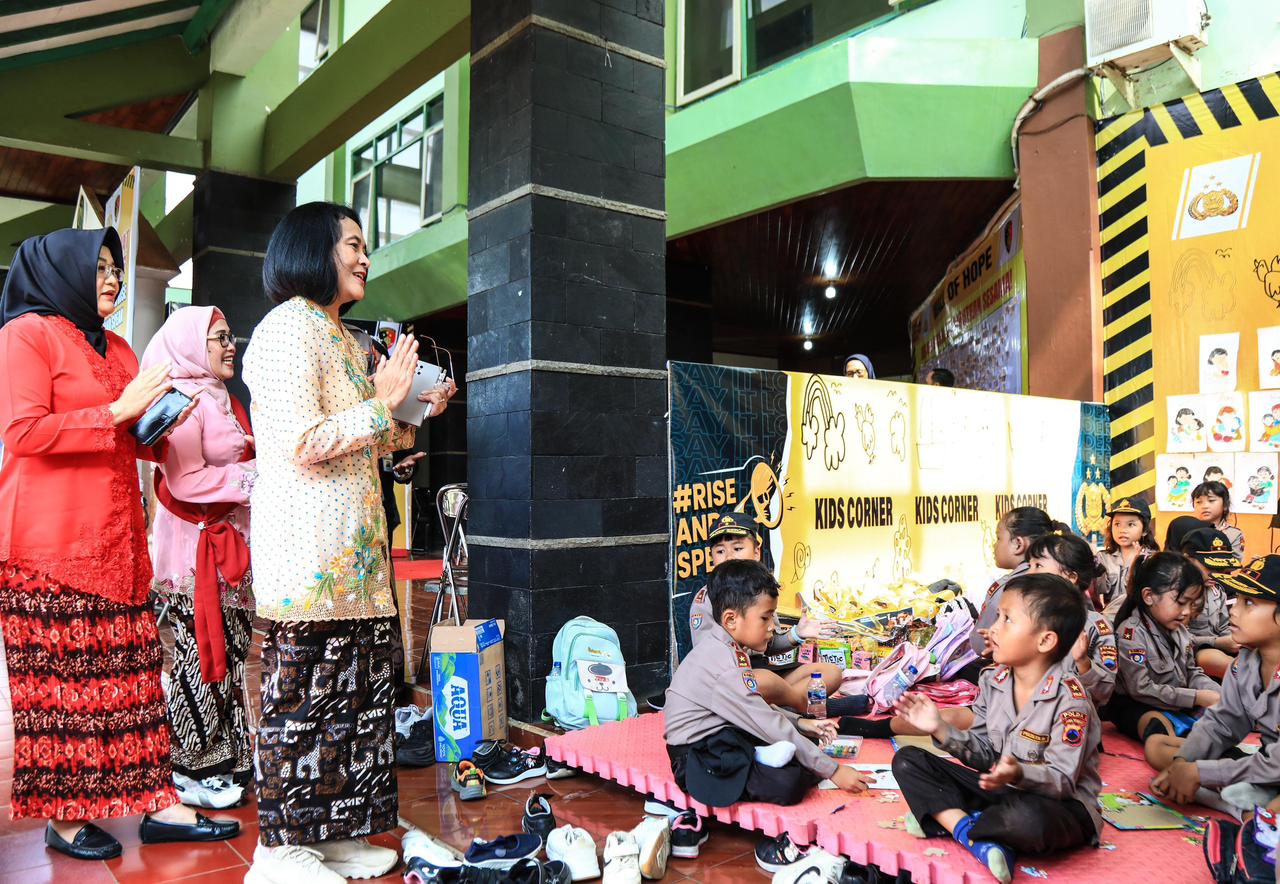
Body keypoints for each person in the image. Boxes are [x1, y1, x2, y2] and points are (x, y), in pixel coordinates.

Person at [0, 228, 238, 860]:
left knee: (133, 682)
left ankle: (159, 803)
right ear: (61, 271)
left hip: (120, 542)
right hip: (49, 549)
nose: (112, 278)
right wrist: (116, 412)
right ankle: (65, 819)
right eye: (99, 267)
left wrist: (161, 423)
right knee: (63, 692)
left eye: (116, 268)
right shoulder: (25, 335)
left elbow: (131, 438)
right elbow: (23, 433)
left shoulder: (122, 347)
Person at [241, 202, 455, 884]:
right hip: (309, 560)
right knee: (302, 702)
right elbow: (302, 440)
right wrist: (381, 399)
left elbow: (367, 437)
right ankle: (278, 852)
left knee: (353, 705)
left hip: (356, 559)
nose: (366, 257)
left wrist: (413, 408)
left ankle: (328, 838)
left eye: (366, 246)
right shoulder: (284, 330)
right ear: (313, 250)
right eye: (353, 245)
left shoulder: (336, 333)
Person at [892, 574, 1102, 884]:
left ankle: (950, 819)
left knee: (1026, 820)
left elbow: (1062, 781)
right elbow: (983, 754)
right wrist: (939, 728)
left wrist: (1018, 773)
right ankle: (978, 836)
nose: (993, 629)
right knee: (908, 760)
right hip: (1003, 793)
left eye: (1007, 619)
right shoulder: (994, 680)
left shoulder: (1071, 700)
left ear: (1045, 641)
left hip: (1059, 806)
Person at [142, 306, 257, 809]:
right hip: (196, 552)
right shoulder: (182, 400)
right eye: (220, 338)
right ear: (192, 344)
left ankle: (224, 757)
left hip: (230, 546)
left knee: (230, 651)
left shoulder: (221, 397)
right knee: (201, 654)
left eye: (231, 337)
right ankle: (189, 765)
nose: (231, 347)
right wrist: (255, 477)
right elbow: (184, 479)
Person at [664, 560, 870, 809]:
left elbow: (755, 709)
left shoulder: (728, 648)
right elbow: (764, 720)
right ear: (731, 619)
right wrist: (834, 771)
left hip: (726, 734)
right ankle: (759, 755)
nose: (773, 626)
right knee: (790, 782)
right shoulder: (723, 665)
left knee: (805, 749)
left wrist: (800, 723)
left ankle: (760, 753)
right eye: (765, 617)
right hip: (698, 756)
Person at [1146, 555, 1280, 817]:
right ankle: (1243, 803)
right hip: (1266, 763)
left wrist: (1202, 773)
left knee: (1274, 812)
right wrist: (1183, 765)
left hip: (1274, 765)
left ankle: (1242, 808)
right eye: (1237, 599)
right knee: (1158, 747)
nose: (1234, 610)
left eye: (1249, 603)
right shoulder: (1245, 662)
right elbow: (1222, 723)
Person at [684, 514, 855, 714]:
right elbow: (709, 661)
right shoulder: (706, 598)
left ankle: (782, 709)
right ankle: (801, 708)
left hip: (765, 671)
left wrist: (797, 633)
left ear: (756, 552)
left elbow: (769, 644)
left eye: (738, 549)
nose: (729, 557)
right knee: (765, 683)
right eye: (720, 551)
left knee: (829, 673)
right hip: (733, 677)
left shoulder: (762, 590)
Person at [1105, 552, 1220, 744]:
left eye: (1192, 604)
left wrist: (1216, 693)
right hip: (1138, 705)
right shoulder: (1131, 633)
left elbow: (1192, 672)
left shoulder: (1179, 630)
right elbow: (1141, 689)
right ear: (1149, 596)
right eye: (1181, 602)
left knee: (1224, 716)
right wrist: (1196, 697)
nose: (1187, 612)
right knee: (1158, 729)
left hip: (1178, 702)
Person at [1026, 531, 1118, 705]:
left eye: (1038, 565)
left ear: (1070, 577)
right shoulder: (1024, 617)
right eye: (1028, 565)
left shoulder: (1096, 626)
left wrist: (1083, 662)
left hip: (1071, 716)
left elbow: (1104, 691)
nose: (1029, 573)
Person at [1179, 526, 1243, 679]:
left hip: (1220, 648)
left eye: (1222, 569)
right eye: (1211, 567)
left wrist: (1235, 640)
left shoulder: (1217, 590)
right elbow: (1177, 636)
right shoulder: (1176, 594)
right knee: (1216, 659)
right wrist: (1217, 642)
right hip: (1189, 652)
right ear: (1187, 560)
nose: (1217, 574)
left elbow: (1223, 626)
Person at [1096, 498, 1159, 609]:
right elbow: (1097, 589)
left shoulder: (1153, 559)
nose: (1122, 530)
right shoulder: (1103, 557)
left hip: (1139, 615)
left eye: (1130, 524)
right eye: (1117, 524)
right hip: (1109, 615)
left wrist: (1137, 564)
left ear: (1144, 530)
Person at [1193, 480, 1246, 557]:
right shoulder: (1187, 529)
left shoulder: (1234, 534)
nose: (1204, 506)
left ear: (1225, 505)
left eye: (1211, 500)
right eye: (1199, 502)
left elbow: (1236, 560)